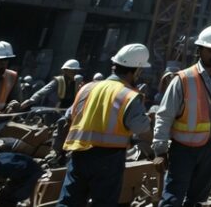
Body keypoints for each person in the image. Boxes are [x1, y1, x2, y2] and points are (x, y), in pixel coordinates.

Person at [54, 44, 154, 207]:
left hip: (79, 153)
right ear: (135, 71)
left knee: (69, 201)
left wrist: (59, 149)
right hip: (109, 157)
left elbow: (67, 118)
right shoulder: (129, 94)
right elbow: (141, 128)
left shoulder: (87, 88)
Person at [152, 25, 211, 207]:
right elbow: (165, 115)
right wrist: (160, 150)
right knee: (173, 197)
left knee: (198, 199)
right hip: (183, 149)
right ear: (199, 49)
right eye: (210, 50)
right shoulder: (183, 79)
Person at [0, 41, 42, 206]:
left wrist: (14, 107)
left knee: (30, 167)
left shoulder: (11, 78)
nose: (4, 63)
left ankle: (1, 202)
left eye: (6, 60)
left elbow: (16, 103)